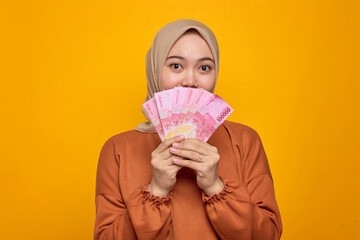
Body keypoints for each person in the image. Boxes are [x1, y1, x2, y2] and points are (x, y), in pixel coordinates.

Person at [93, 19, 283, 240]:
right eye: (176, 66)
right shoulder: (118, 149)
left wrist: (215, 187)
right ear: (155, 69)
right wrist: (156, 190)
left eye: (204, 67)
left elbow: (268, 235)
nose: (190, 81)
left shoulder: (245, 140)